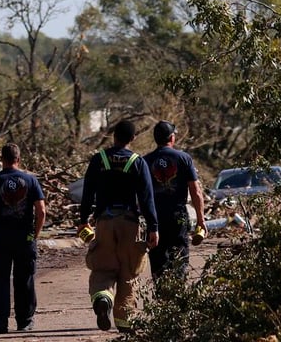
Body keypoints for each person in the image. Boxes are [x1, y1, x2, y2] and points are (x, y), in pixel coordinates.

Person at [76, 119, 159, 333]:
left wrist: (83, 219)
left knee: (103, 269)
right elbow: (147, 198)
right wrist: (153, 227)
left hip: (104, 222)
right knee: (128, 273)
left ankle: (103, 300)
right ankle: (124, 323)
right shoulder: (137, 162)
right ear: (132, 139)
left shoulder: (99, 160)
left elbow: (87, 193)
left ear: (113, 135)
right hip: (130, 224)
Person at [0, 142, 47, 334]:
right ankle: (24, 321)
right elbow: (41, 211)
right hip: (24, 237)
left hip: (0, 236)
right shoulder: (30, 180)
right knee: (24, 278)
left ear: (2, 160)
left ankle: (1, 323)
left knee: (0, 279)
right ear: (18, 159)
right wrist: (35, 234)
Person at [143, 120, 206, 286]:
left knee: (158, 261)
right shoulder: (183, 158)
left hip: (154, 219)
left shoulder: (145, 161)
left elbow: (139, 194)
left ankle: (163, 299)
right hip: (178, 217)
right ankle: (177, 298)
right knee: (179, 259)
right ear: (172, 137)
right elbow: (196, 191)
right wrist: (201, 220)